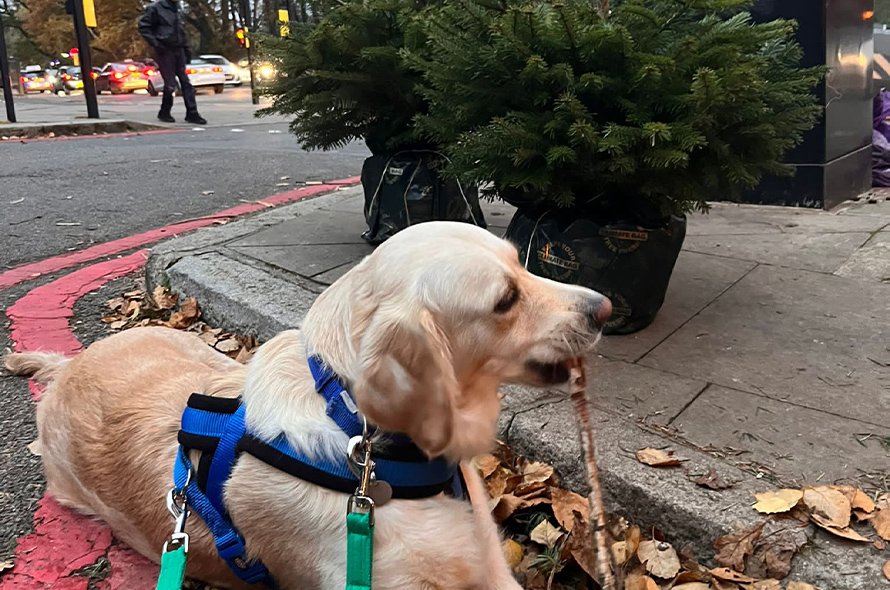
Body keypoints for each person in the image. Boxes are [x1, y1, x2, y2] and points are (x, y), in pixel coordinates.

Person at [137, 0, 206, 124]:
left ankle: (192, 112)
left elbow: (181, 31)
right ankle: (165, 112)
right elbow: (143, 27)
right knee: (170, 84)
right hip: (165, 50)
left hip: (178, 48)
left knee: (186, 83)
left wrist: (186, 49)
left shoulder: (178, 8)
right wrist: (156, 44)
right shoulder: (156, 8)